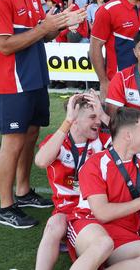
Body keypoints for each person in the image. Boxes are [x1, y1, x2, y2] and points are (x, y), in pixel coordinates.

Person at [0, 0, 84, 229]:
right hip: (11, 82)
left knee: (30, 135)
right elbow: (4, 46)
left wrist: (61, 22)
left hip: (35, 76)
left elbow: (44, 32)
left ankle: (24, 191)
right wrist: (45, 29)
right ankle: (5, 206)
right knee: (12, 142)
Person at [66, 107, 140, 269]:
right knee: (104, 243)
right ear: (128, 135)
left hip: (125, 230)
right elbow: (102, 214)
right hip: (90, 224)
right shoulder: (95, 164)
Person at [34, 92, 110, 270]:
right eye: (92, 117)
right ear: (75, 120)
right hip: (66, 208)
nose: (98, 122)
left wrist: (103, 115)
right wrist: (67, 122)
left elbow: (128, 138)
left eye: (98, 117)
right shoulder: (59, 141)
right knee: (54, 224)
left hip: (96, 206)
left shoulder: (104, 141)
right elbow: (41, 161)